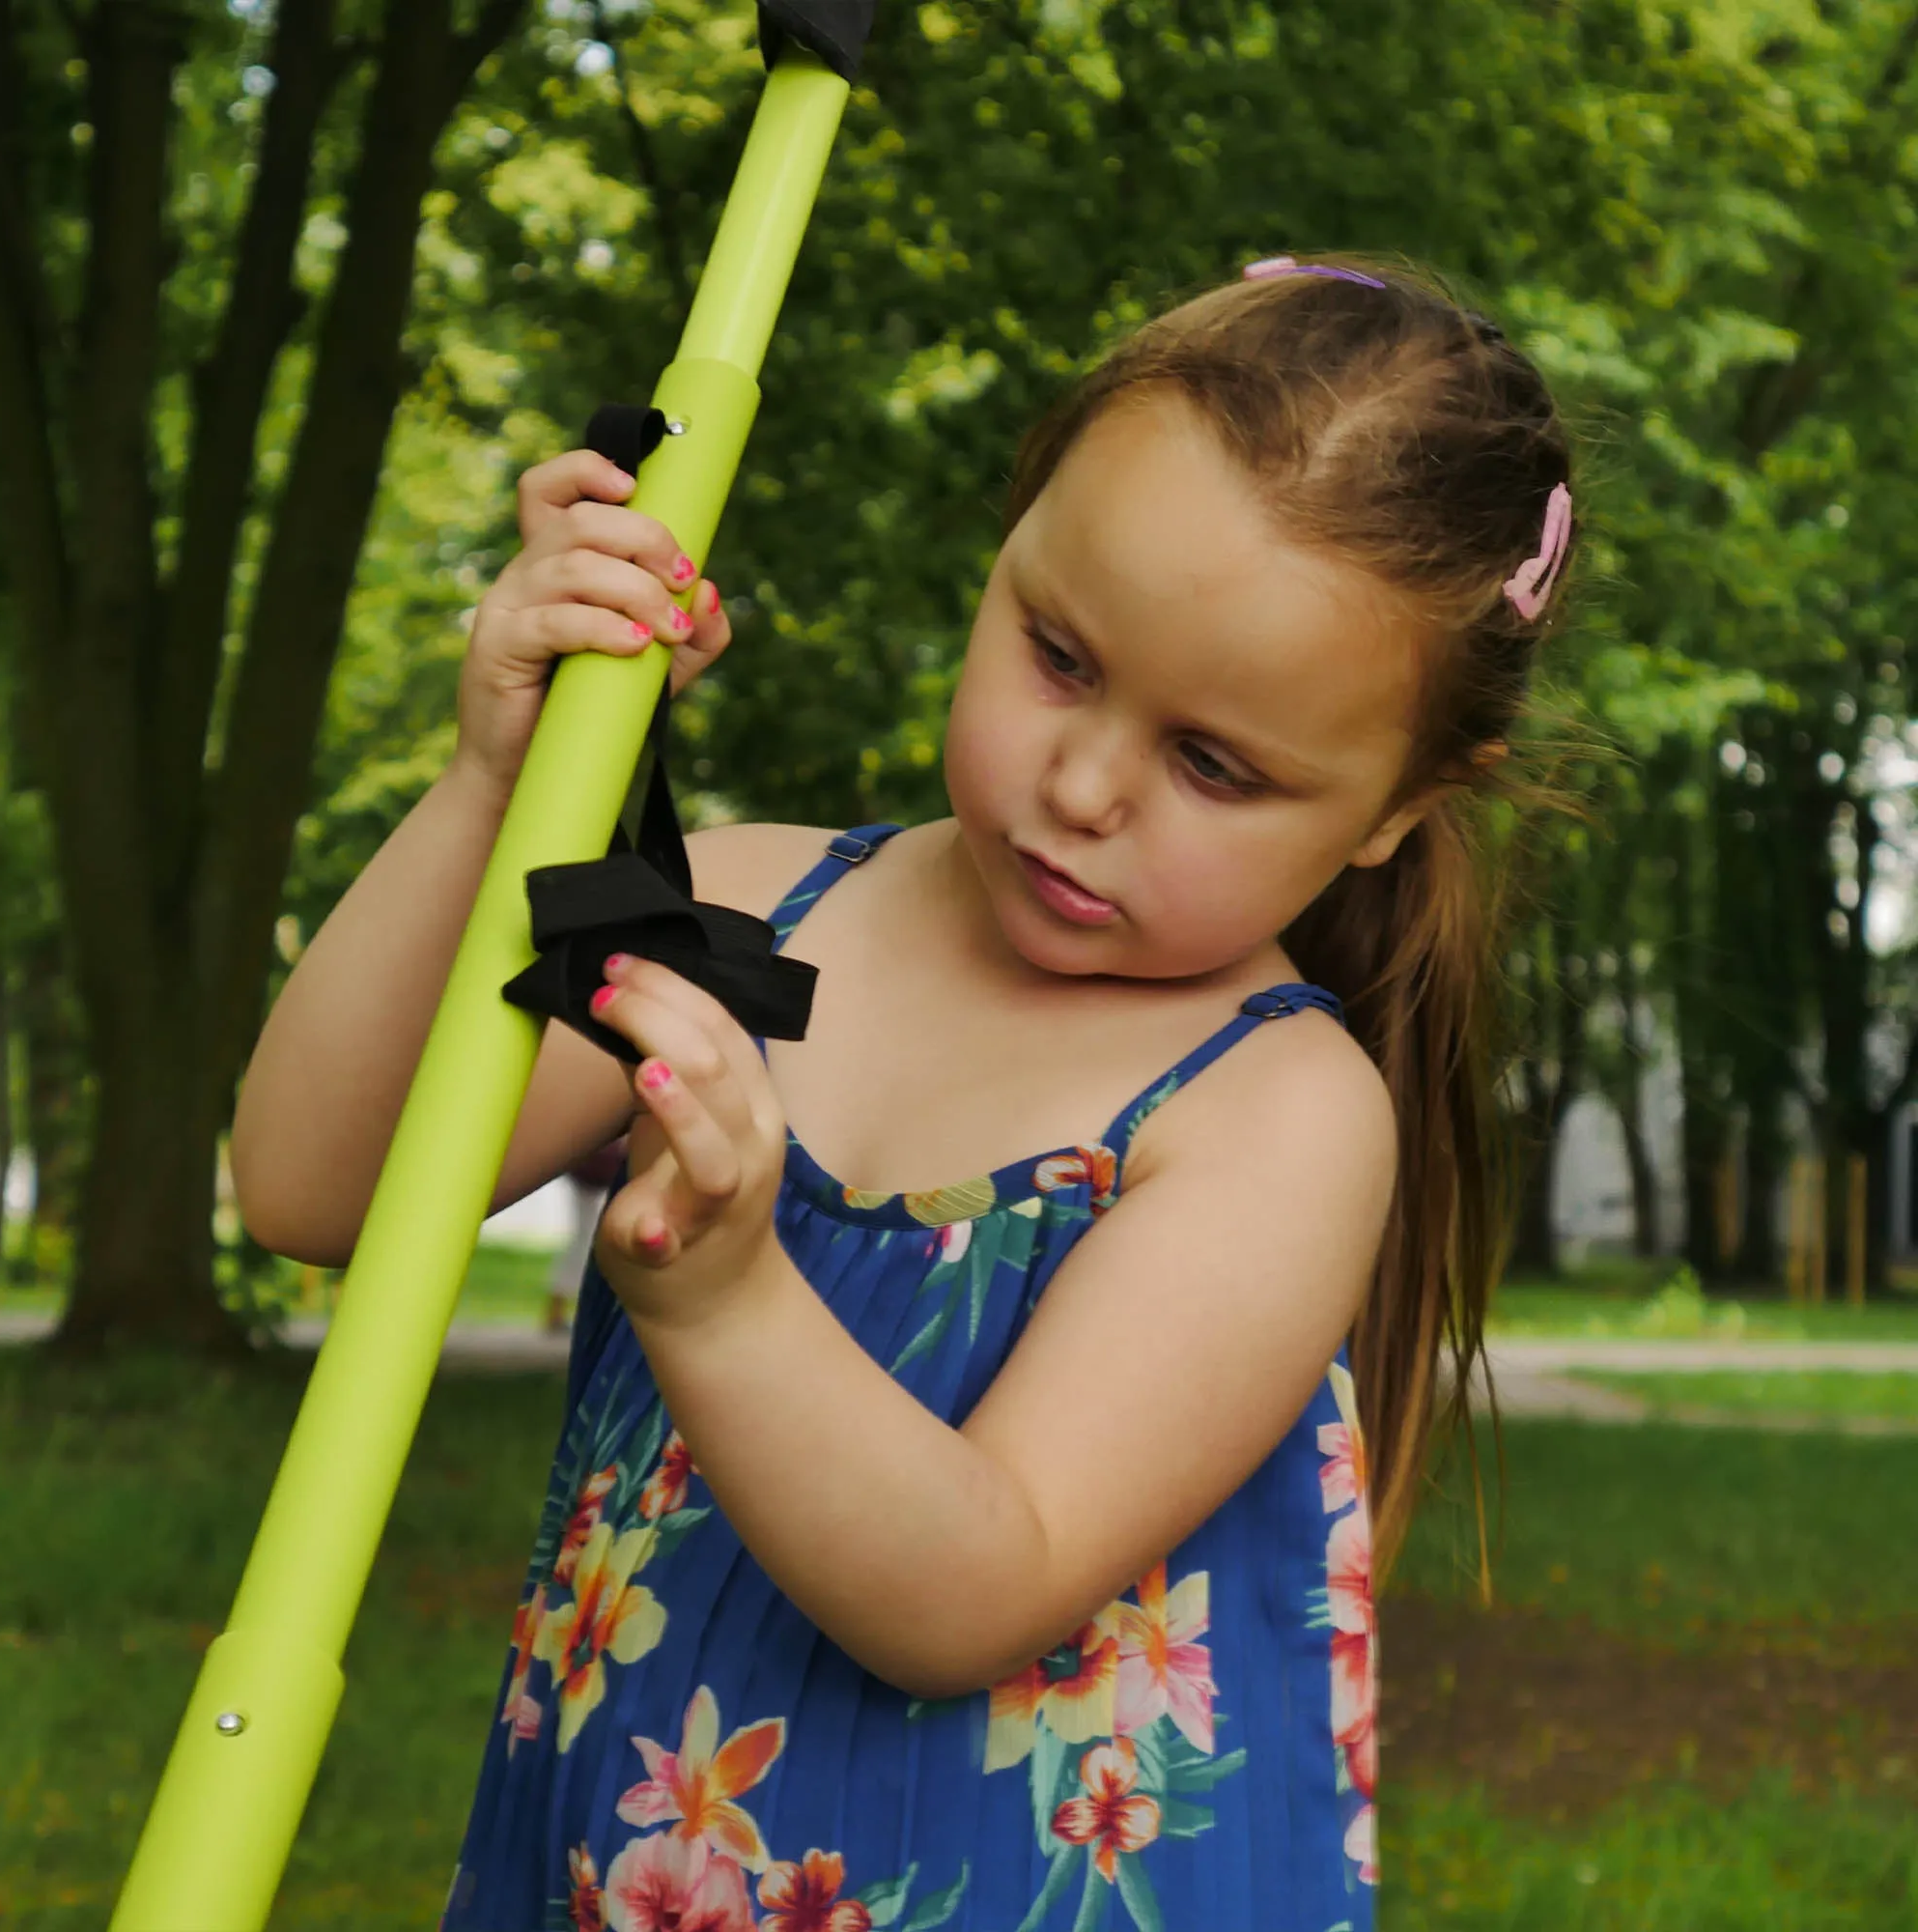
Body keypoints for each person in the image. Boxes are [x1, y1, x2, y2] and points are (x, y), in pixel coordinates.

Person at [232, 252, 1576, 1931]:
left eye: (1216, 764)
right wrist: (492, 788)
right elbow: (313, 1184)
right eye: (1061, 654)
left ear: (1397, 806)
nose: (1084, 784)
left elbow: (971, 1581)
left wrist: (725, 1304)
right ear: (1009, 545)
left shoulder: (1271, 1114)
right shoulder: (730, 909)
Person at [545, 1139, 629, 1334]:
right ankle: (557, 1310)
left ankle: (560, 1310)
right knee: (585, 1242)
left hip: (597, 1174)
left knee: (588, 1241)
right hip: (595, 1175)